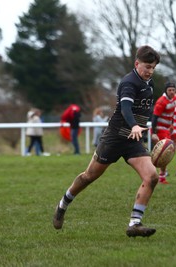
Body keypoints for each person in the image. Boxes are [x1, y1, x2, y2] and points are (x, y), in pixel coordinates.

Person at [53, 45, 161, 237]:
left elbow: (145, 110)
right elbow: (126, 108)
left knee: (152, 176)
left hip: (133, 140)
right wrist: (134, 125)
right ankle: (63, 203)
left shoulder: (149, 84)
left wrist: (148, 129)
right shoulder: (129, 83)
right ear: (137, 64)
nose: (150, 71)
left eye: (153, 67)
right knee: (89, 177)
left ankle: (134, 223)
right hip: (114, 137)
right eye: (147, 67)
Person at [151, 81, 176, 184]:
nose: (171, 92)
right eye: (169, 90)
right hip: (160, 129)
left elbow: (172, 113)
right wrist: (153, 132)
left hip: (166, 129)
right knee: (164, 153)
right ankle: (160, 177)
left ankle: (160, 176)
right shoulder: (161, 102)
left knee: (165, 153)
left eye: (173, 90)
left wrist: (172, 124)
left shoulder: (174, 99)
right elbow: (154, 118)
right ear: (165, 91)